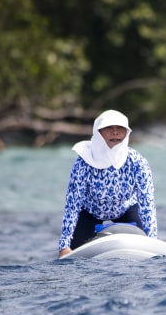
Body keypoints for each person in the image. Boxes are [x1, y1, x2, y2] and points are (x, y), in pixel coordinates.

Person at [57, 110, 157, 258]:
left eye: (120, 128)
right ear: (98, 133)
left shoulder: (138, 162)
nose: (115, 132)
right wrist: (64, 245)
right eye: (109, 128)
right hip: (89, 211)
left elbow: (147, 204)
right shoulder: (83, 162)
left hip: (125, 209)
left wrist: (152, 242)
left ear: (126, 133)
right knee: (73, 258)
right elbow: (73, 204)